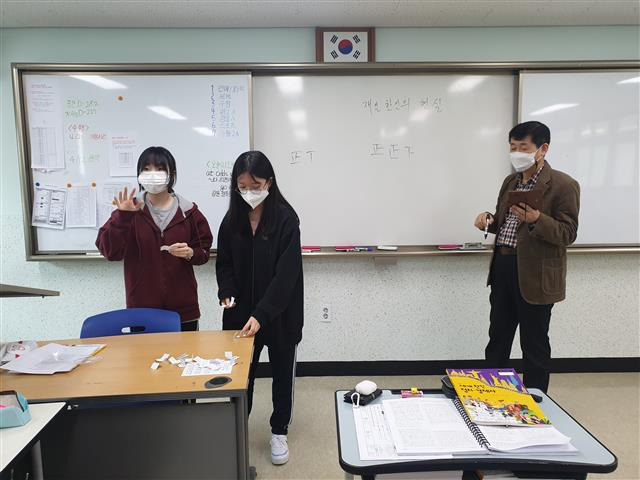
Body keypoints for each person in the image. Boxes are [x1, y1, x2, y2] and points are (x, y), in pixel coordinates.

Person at [474, 121, 580, 393]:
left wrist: (536, 219)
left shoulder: (563, 185)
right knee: (497, 337)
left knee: (533, 343)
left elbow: (568, 233)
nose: (517, 153)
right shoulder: (510, 181)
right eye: (512, 147)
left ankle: (536, 401)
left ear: (542, 149)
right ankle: (491, 394)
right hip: (503, 267)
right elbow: (505, 223)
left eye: (524, 147)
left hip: (536, 274)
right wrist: (489, 220)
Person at [216, 150, 303, 465]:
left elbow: (286, 277)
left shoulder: (286, 219)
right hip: (240, 317)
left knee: (282, 376)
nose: (249, 192)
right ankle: (237, 427)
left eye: (255, 185)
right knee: (241, 378)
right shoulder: (232, 220)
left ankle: (279, 431)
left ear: (269, 182)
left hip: (280, 315)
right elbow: (224, 264)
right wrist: (226, 292)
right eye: (242, 186)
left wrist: (261, 314)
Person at [96, 146, 213, 331]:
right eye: (146, 169)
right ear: (139, 174)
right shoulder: (130, 211)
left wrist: (191, 253)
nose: (153, 174)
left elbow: (203, 251)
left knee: (185, 359)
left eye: (159, 169)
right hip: (142, 310)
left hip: (183, 311)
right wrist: (122, 217)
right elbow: (110, 252)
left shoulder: (189, 212)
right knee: (145, 359)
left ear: (171, 174)